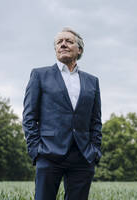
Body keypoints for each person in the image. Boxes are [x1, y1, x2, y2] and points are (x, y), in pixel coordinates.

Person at [22, 27, 102, 200]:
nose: (63, 44)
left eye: (68, 41)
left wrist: (94, 150)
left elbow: (96, 120)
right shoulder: (39, 75)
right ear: (55, 49)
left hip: (83, 155)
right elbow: (29, 117)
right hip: (48, 153)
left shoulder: (92, 81)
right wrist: (36, 150)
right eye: (59, 42)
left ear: (79, 49)